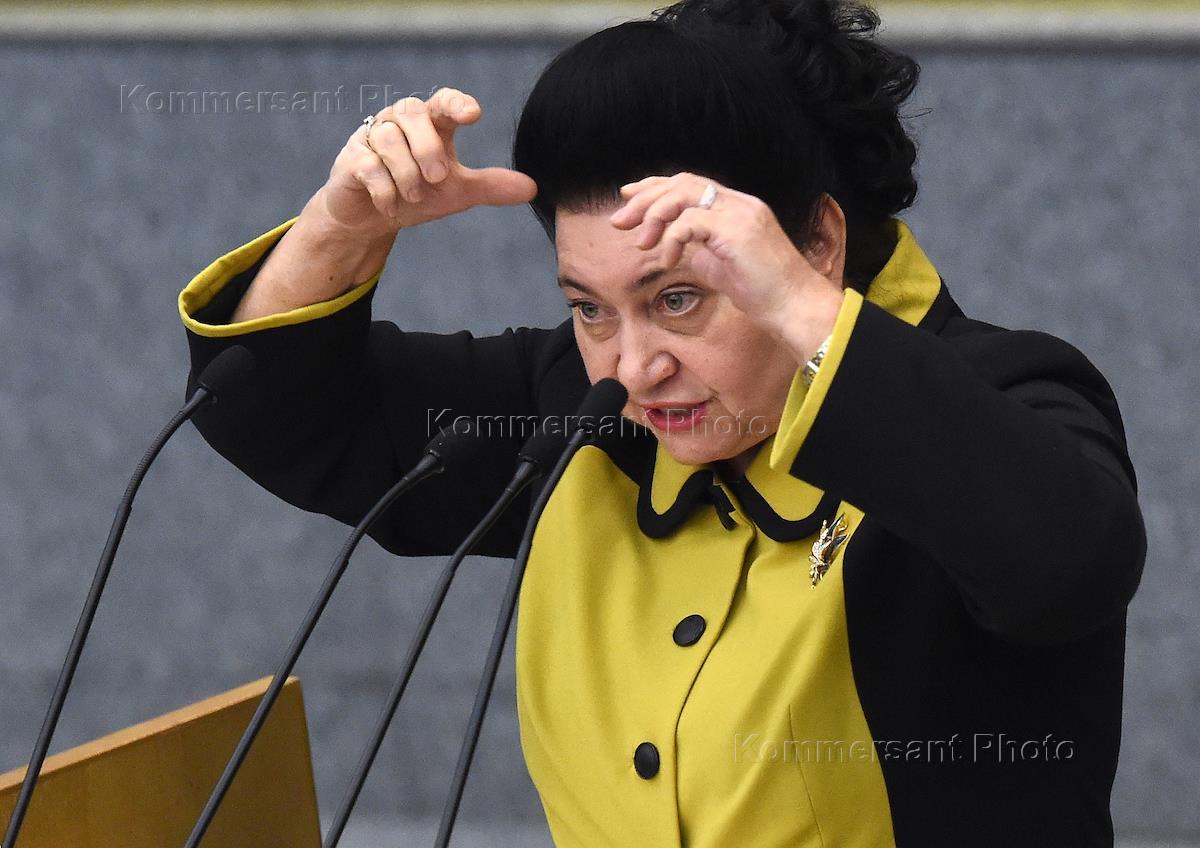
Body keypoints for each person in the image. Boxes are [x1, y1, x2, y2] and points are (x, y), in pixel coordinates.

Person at [177, 0, 1147, 844]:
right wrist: (343, 225)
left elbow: (1066, 565)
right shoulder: (581, 408)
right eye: (589, 306)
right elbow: (274, 408)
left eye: (678, 298)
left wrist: (802, 310)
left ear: (815, 243)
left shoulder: (999, 393)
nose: (634, 368)